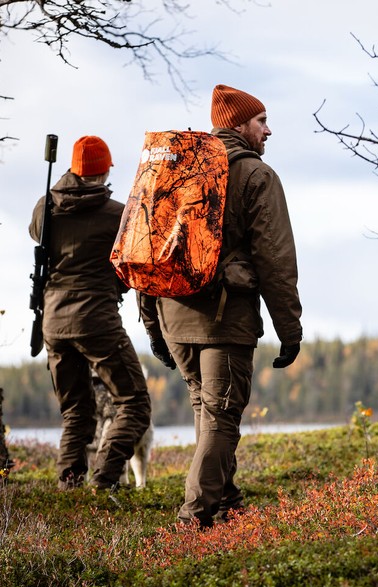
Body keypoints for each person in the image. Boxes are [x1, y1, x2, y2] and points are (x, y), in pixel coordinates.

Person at [141, 84, 303, 528]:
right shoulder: (255, 175)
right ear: (238, 125)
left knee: (207, 409)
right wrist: (290, 330)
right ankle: (192, 520)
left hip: (172, 313)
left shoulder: (175, 168)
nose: (268, 131)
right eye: (261, 122)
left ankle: (227, 502)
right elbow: (276, 260)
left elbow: (145, 246)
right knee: (221, 415)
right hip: (223, 318)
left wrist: (152, 325)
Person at [29, 136, 152, 491]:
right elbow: (131, 262)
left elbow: (36, 233)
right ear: (104, 171)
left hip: (53, 321)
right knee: (135, 402)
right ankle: (104, 478)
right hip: (96, 320)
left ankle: (70, 485)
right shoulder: (117, 214)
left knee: (76, 411)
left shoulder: (44, 208)